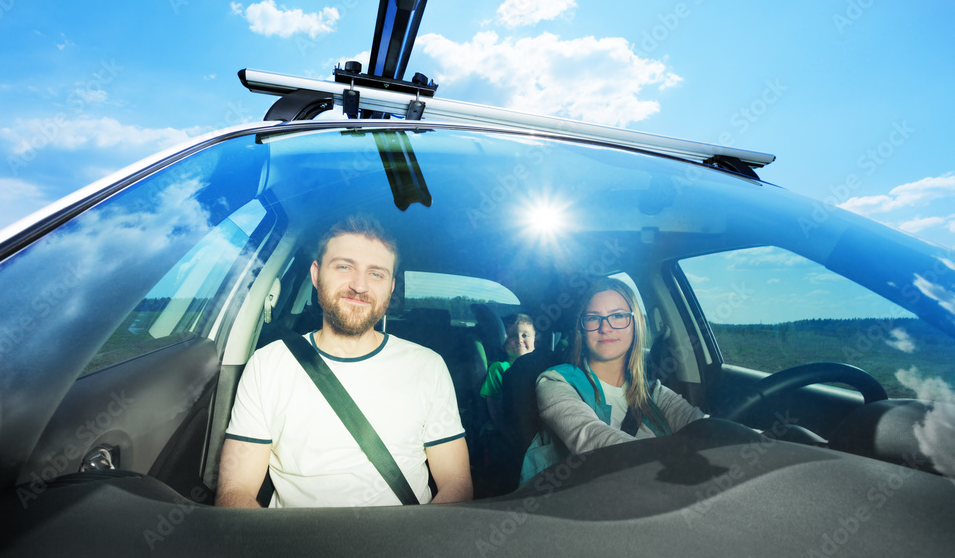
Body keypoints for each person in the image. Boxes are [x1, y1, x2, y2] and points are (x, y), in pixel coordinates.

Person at [216, 216, 473, 508]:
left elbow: (457, 484)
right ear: (316, 275)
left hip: (405, 543)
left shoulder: (428, 367)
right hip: (293, 547)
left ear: (390, 288)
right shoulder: (268, 365)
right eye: (344, 267)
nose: (359, 286)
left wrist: (420, 545)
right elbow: (235, 491)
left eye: (376, 274)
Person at [520, 277, 705, 484]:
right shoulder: (555, 382)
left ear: (637, 324)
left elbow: (705, 428)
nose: (605, 327)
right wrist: (671, 464)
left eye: (618, 316)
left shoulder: (655, 393)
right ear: (581, 327)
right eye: (593, 318)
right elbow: (590, 436)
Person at [479, 313, 535, 439]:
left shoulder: (541, 368)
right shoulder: (499, 369)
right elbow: (495, 409)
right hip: (514, 431)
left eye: (525, 335)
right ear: (502, 346)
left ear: (535, 342)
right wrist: (509, 435)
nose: (520, 340)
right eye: (512, 336)